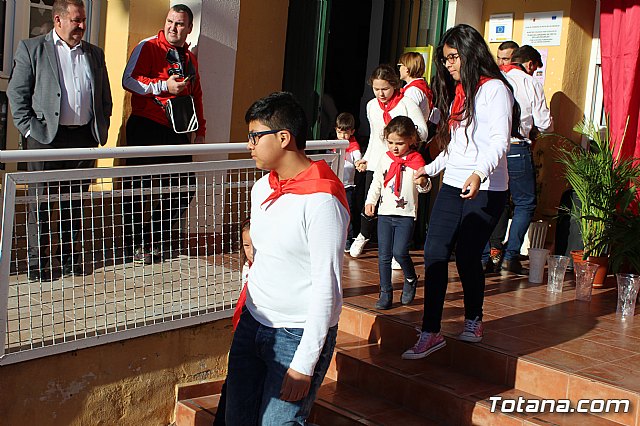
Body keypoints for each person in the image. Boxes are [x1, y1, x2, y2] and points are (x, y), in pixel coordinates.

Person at [224, 92, 349, 425]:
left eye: (254, 136)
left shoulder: (322, 200)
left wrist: (304, 363)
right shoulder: (263, 187)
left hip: (295, 335)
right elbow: (260, 257)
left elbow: (328, 285)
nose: (248, 144)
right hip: (253, 323)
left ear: (283, 137)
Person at [402, 24, 519, 359]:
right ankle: (431, 331)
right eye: (445, 59)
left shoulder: (494, 89)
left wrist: (479, 173)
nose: (449, 64)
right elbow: (457, 149)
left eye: (453, 57)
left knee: (467, 255)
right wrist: (430, 168)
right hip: (453, 184)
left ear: (470, 53)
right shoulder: (461, 92)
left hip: (487, 187)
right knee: (435, 253)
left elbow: (499, 140)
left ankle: (473, 318)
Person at [7, 0, 112, 281]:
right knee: (40, 203)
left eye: (84, 20)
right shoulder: (33, 49)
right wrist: (31, 131)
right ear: (58, 20)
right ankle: (37, 264)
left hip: (81, 139)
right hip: (45, 139)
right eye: (76, 20)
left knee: (74, 202)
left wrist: (99, 127)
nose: (81, 26)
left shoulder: (94, 53)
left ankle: (69, 259)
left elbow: (105, 98)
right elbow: (17, 95)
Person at [122, 3, 206, 264]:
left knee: (183, 187)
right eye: (170, 21)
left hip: (177, 130)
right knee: (139, 187)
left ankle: (156, 238)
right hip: (147, 125)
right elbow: (128, 80)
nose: (173, 27)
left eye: (179, 24)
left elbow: (196, 94)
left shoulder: (190, 58)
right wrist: (162, 86)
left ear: (189, 28)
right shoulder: (148, 46)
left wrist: (200, 128)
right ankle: (135, 244)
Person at [484, 45, 553, 275]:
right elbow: (545, 123)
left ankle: (485, 255)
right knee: (525, 203)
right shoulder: (530, 82)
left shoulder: (495, 79)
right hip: (516, 146)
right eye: (534, 69)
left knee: (493, 200)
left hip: (492, 148)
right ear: (530, 64)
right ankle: (511, 255)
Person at [350, 64, 428, 258]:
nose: (380, 93)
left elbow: (423, 132)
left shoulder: (406, 103)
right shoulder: (371, 106)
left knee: (398, 202)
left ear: (394, 85)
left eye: (384, 88)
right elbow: (375, 136)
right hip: (379, 160)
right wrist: (366, 159)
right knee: (370, 200)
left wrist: (404, 137)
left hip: (402, 161)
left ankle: (398, 248)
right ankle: (364, 234)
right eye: (376, 89)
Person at [364, 116, 431, 309]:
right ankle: (385, 292)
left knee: (400, 252)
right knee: (384, 255)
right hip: (386, 212)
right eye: (390, 142)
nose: (394, 147)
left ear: (411, 140)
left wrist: (423, 183)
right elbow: (377, 181)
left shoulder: (416, 161)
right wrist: (370, 201)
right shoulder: (385, 158)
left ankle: (410, 278)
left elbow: (425, 187)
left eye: (399, 143)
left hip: (406, 214)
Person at [214, 217, 253, 426]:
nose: (251, 250)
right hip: (243, 332)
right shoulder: (248, 267)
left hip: (258, 333)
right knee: (231, 389)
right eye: (246, 245)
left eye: (255, 245)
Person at [335, 112, 362, 251]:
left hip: (348, 185)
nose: (343, 137)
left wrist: (359, 163)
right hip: (335, 184)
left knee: (348, 212)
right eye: (340, 133)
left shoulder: (353, 146)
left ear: (352, 132)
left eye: (346, 133)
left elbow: (357, 157)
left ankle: (349, 238)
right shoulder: (334, 145)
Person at [397, 52, 433, 123]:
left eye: (400, 66)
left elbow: (408, 116)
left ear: (407, 68)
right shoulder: (420, 86)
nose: (399, 69)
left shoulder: (413, 91)